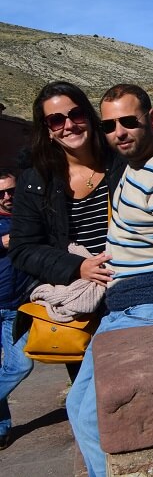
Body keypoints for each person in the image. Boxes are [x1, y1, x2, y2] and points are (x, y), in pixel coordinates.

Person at [66, 84, 153, 477]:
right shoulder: (135, 164)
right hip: (127, 307)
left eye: (129, 121)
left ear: (152, 118)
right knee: (78, 407)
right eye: (109, 125)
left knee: (96, 419)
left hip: (150, 310)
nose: (119, 132)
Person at [9, 81, 126, 382]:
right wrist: (79, 267)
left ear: (88, 115)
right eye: (56, 120)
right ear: (47, 129)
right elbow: (23, 248)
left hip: (129, 292)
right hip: (80, 305)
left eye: (76, 115)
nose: (69, 125)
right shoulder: (36, 181)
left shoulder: (122, 164)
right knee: (90, 391)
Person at [0, 170, 33, 450]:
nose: (7, 197)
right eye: (0, 194)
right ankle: (1, 430)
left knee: (20, 364)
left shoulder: (27, 218)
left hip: (15, 309)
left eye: (11, 191)